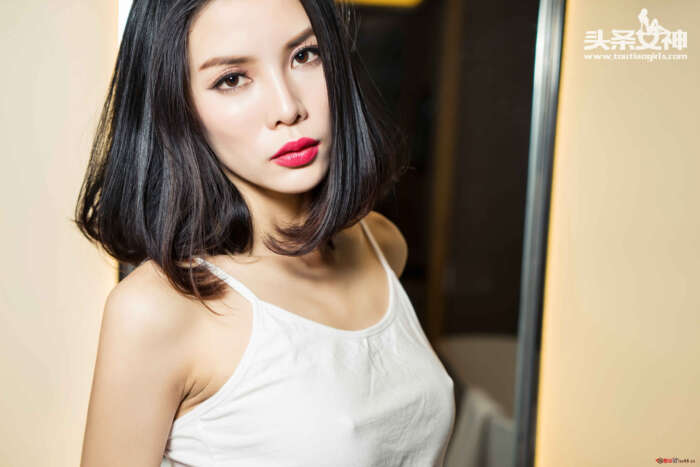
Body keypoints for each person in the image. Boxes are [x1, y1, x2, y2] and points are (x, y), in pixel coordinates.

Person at [75, 0, 456, 465]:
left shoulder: (381, 244)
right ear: (176, 108)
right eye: (232, 79)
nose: (287, 108)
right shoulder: (158, 309)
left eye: (305, 55)